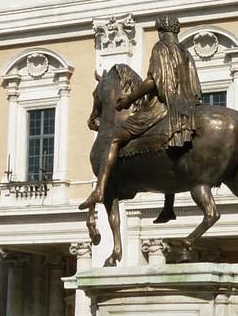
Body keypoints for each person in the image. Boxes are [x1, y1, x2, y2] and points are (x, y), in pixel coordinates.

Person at [80, 13, 203, 209]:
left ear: (161, 31)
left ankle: (100, 190)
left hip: (162, 107)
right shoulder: (185, 52)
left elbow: (153, 81)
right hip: (186, 107)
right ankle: (168, 206)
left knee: (113, 139)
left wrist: (130, 98)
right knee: (170, 150)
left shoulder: (161, 48)